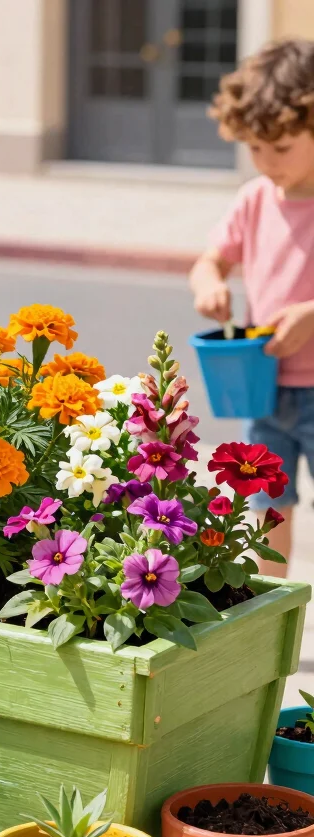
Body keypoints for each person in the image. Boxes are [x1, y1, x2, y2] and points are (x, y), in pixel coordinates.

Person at [190, 38, 314, 578]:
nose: (267, 163)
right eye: (255, 149)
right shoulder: (256, 198)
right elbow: (208, 261)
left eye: (281, 147)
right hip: (263, 391)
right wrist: (209, 282)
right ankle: (272, 638)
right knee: (267, 515)